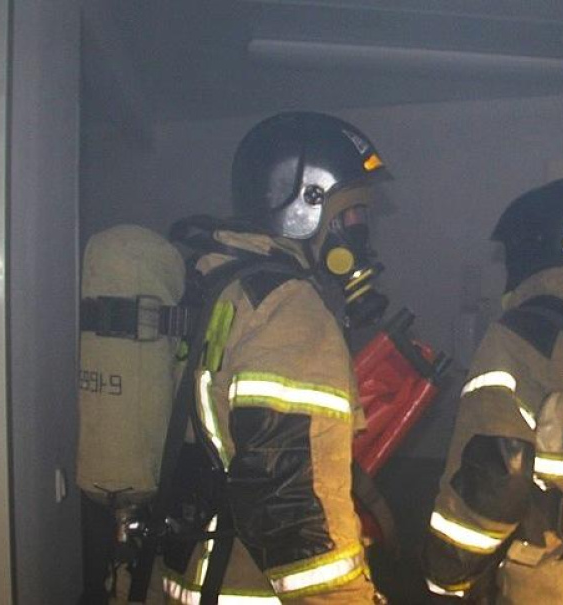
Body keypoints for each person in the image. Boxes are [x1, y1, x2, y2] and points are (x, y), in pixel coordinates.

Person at [155, 111, 390, 604]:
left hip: (195, 569)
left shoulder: (221, 283)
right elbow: (294, 507)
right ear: (307, 204)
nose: (359, 230)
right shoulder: (289, 308)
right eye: (351, 213)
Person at [421, 179, 563, 603]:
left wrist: (446, 577)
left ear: (528, 251)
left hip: (550, 577)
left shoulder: (517, 337)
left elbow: (495, 478)